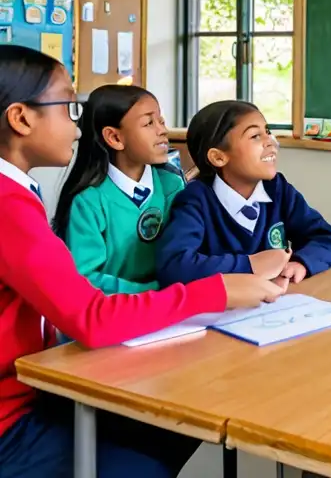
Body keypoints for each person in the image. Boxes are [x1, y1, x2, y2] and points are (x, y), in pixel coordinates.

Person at [0, 45, 284, 477]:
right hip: (14, 420)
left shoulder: (19, 194)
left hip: (33, 387)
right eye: (68, 107)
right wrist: (217, 290)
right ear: (21, 118)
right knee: (173, 427)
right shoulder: (10, 207)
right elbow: (92, 315)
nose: (78, 130)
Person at [157, 100, 331, 287]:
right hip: (223, 311)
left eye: (268, 132)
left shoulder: (277, 189)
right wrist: (251, 264)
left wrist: (301, 262)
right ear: (218, 157)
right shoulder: (196, 200)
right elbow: (174, 266)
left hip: (273, 307)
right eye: (255, 136)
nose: (271, 142)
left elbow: (328, 239)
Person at [53, 85, 181, 294]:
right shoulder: (89, 201)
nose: (163, 130)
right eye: (149, 123)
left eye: (161, 120)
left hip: (172, 309)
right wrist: (157, 292)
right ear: (115, 138)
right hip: (113, 312)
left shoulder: (172, 185)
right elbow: (85, 277)